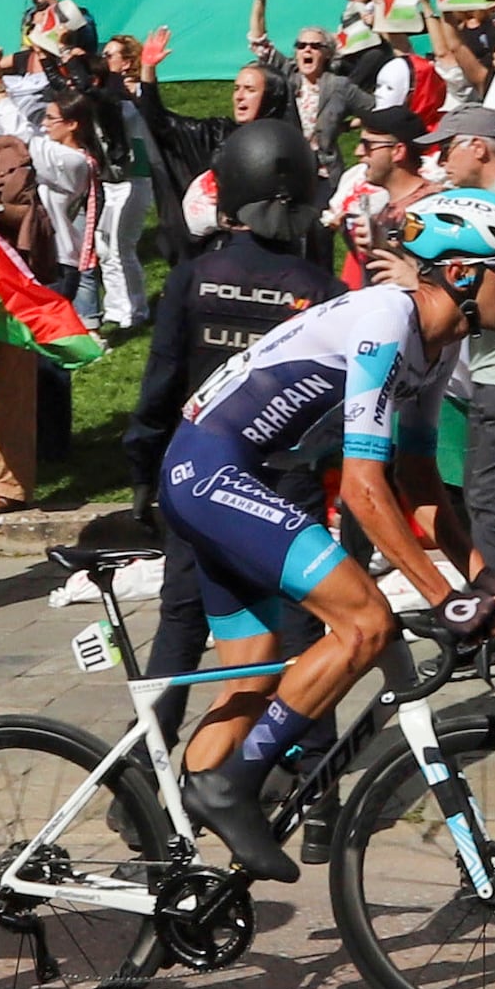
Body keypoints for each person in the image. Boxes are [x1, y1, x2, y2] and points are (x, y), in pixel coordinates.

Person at [153, 194, 495, 882]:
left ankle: (175, 877)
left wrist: (483, 575)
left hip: (227, 474)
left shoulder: (436, 343)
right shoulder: (387, 318)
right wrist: (443, 596)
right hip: (210, 468)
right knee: (365, 621)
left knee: (257, 665)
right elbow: (363, 488)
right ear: (466, 275)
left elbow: (417, 482)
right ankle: (232, 787)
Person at [125, 119, 334, 699]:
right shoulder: (323, 291)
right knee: (301, 637)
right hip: (286, 484)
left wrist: (144, 477)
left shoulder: (193, 280)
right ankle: (309, 776)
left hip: (199, 476)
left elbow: (158, 391)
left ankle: (145, 770)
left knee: (181, 628)